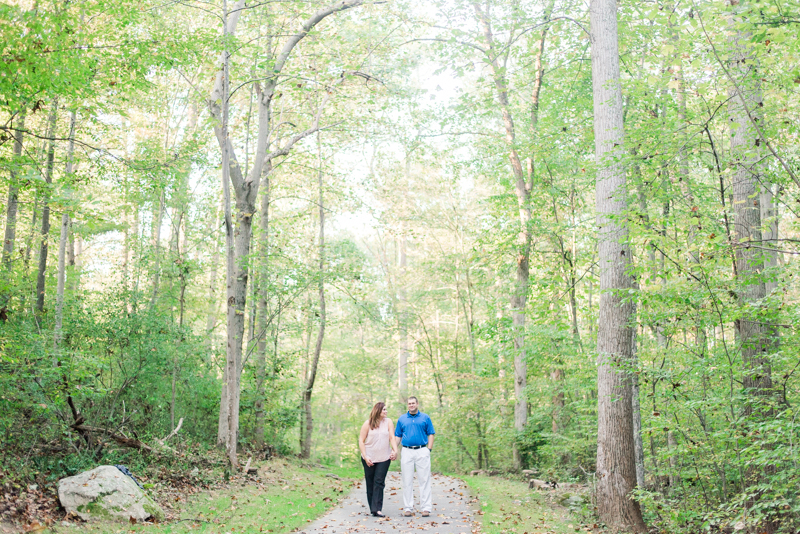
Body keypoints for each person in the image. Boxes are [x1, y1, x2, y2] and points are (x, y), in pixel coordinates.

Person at [394, 396, 435, 517]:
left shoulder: (425, 417)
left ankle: (426, 508)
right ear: (407, 405)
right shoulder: (402, 419)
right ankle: (408, 508)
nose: (411, 405)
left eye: (413, 403)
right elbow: (397, 436)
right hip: (406, 451)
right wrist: (394, 450)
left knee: (424, 479)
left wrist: (429, 449)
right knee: (407, 480)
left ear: (417, 404)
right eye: (409, 403)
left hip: (422, 450)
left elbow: (431, 434)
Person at [358, 402, 397, 517]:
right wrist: (365, 457)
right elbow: (361, 440)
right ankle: (373, 508)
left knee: (379, 482)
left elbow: (392, 437)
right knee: (370, 483)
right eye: (384, 409)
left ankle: (377, 509)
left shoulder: (388, 422)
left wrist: (395, 450)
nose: (386, 411)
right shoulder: (368, 423)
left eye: (386, 409)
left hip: (384, 457)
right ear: (378, 411)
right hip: (369, 457)